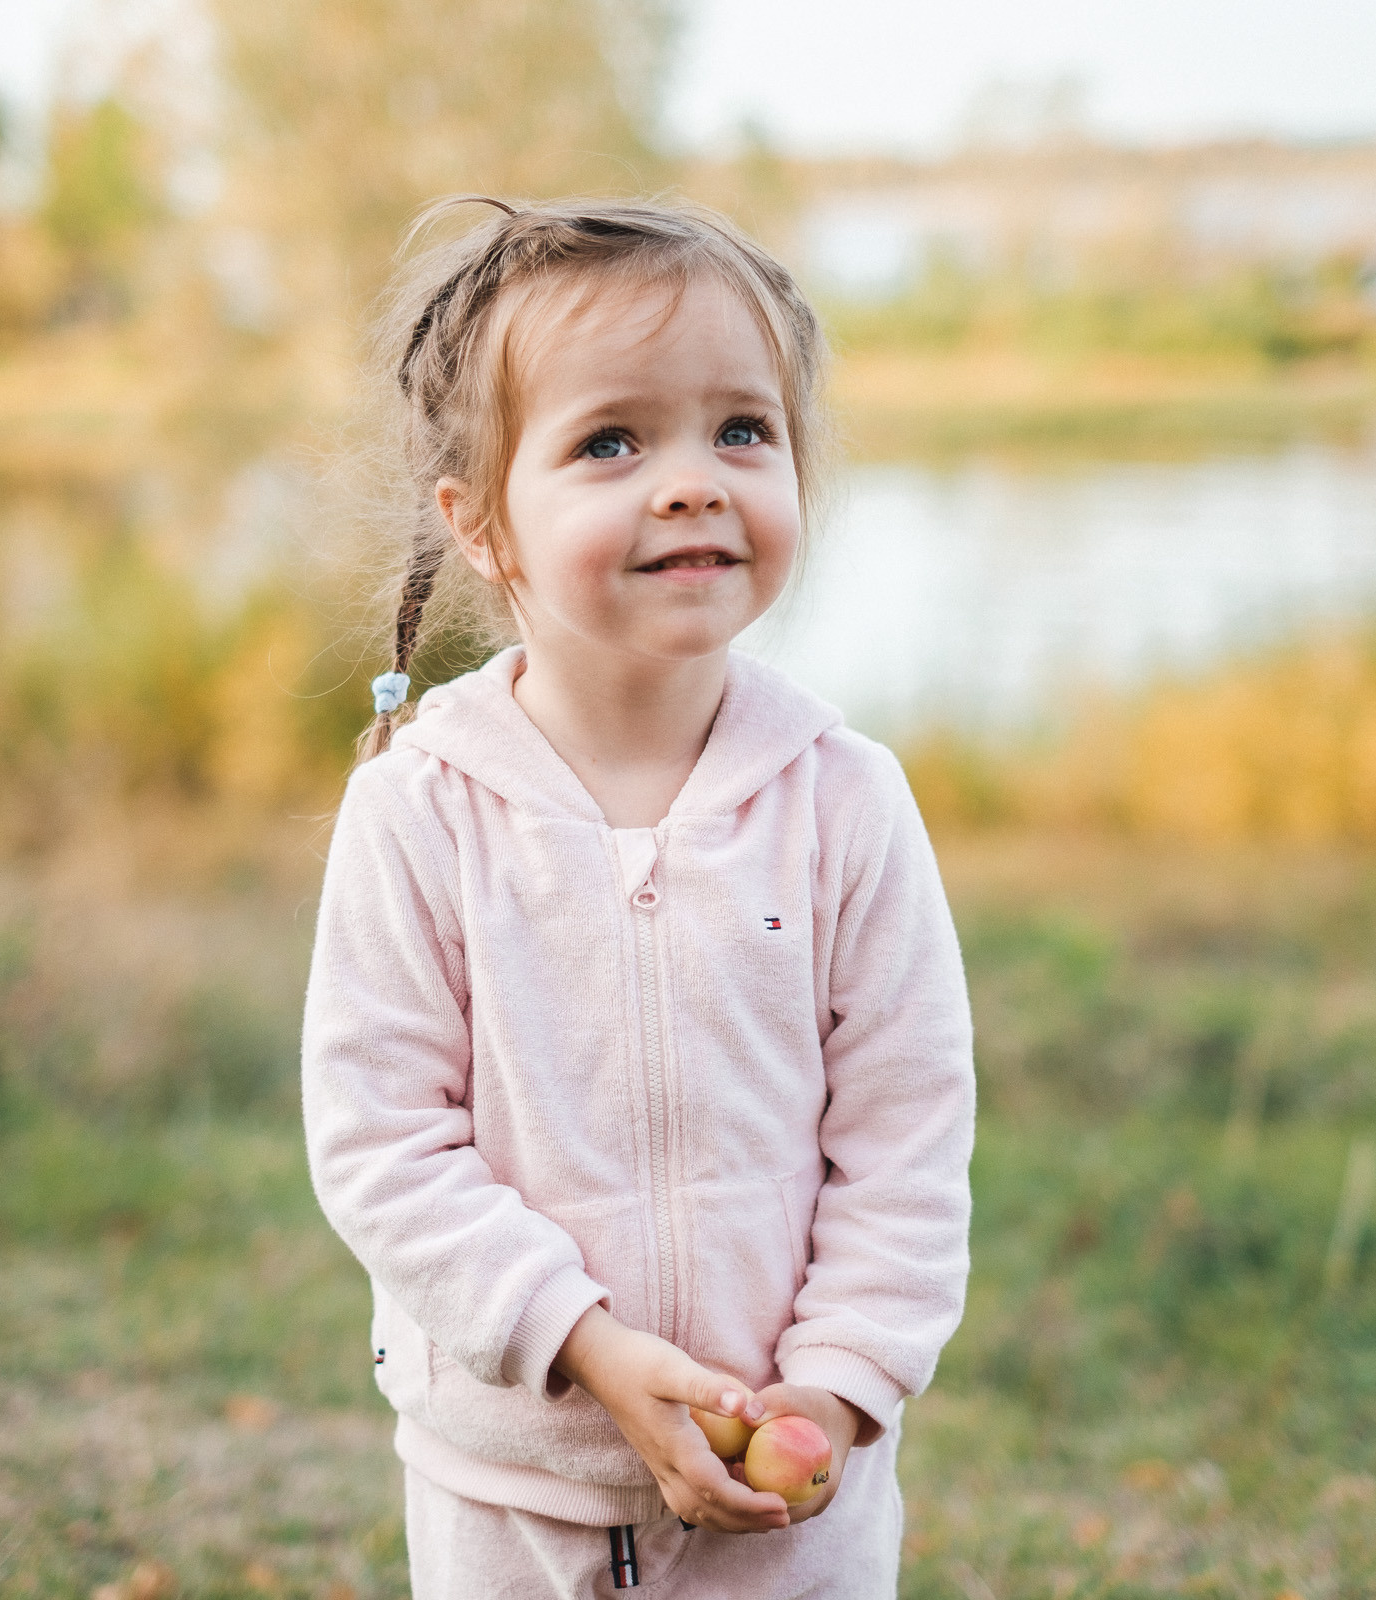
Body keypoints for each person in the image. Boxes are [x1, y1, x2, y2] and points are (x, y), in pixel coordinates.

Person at [301, 196, 975, 1599]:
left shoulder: (844, 801)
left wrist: (838, 1391)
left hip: (796, 1503)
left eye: (743, 429)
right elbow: (380, 1141)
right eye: (612, 441)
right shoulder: (422, 807)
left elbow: (906, 1135)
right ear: (483, 524)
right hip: (515, 1496)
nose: (692, 480)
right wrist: (582, 1342)